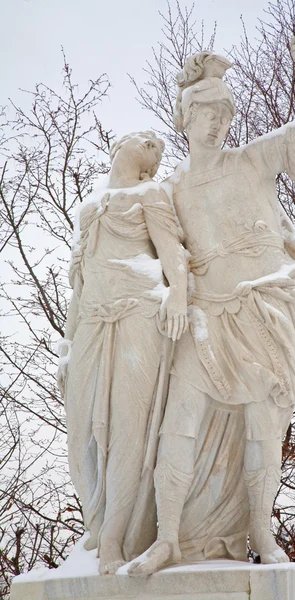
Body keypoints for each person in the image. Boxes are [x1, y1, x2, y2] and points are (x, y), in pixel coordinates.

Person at [129, 32, 295, 576]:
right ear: (186, 118)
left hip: (262, 317)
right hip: (204, 319)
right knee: (179, 422)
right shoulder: (169, 189)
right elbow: (154, 253)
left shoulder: (254, 159)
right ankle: (168, 536)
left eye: (226, 112)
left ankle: (262, 532)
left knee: (264, 429)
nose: (219, 122)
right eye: (208, 112)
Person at [57, 131, 188, 575]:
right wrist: (68, 343)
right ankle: (96, 525)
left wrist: (180, 296)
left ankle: (114, 536)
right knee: (83, 433)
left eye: (155, 145)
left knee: (129, 427)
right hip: (92, 321)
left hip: (139, 314)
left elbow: (172, 253)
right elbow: (80, 280)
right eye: (145, 139)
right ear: (118, 147)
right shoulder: (90, 208)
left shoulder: (150, 194)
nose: (150, 143)